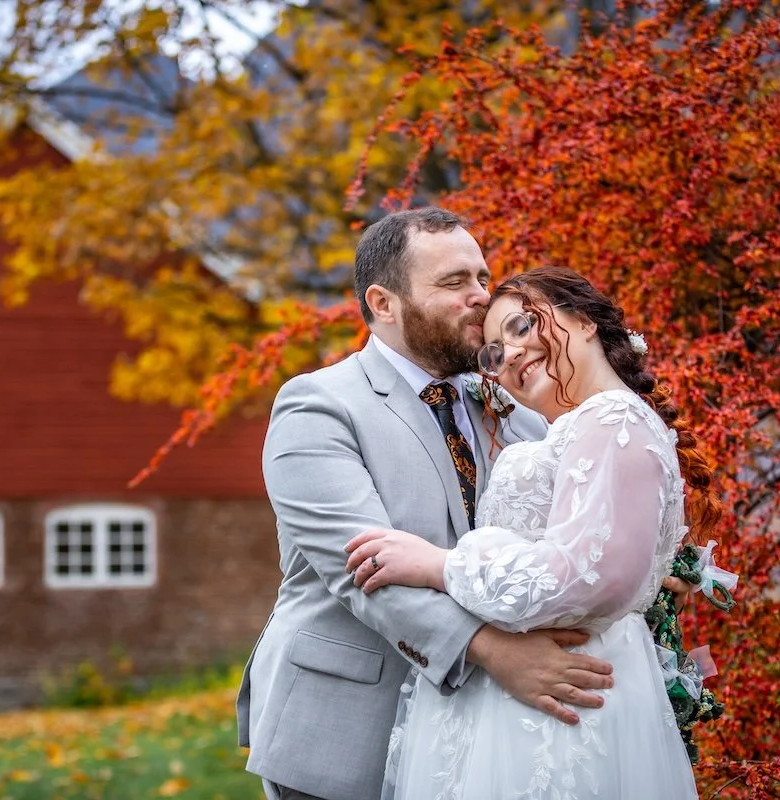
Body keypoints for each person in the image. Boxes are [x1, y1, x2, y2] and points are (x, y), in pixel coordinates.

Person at [238, 209, 634, 800]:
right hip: (345, 728)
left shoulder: (515, 403)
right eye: (454, 283)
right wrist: (494, 652)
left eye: (482, 276)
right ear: (384, 302)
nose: (482, 297)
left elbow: (580, 525)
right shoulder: (318, 407)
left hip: (482, 737)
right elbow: (363, 569)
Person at [344, 266, 721, 798]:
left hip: (566, 702)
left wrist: (440, 565)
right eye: (493, 351)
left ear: (586, 321)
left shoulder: (613, 419)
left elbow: (584, 576)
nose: (510, 354)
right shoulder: (572, 425)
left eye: (521, 327)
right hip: (530, 695)